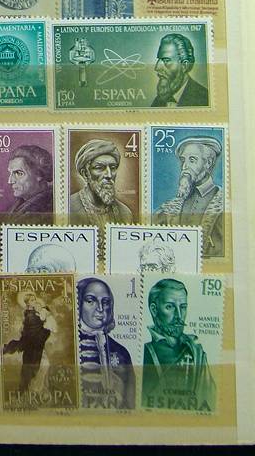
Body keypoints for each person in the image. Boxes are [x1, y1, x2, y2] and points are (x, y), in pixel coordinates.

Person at [142, 278, 215, 411]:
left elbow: (208, 398)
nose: (179, 316)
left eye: (183, 307)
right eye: (170, 307)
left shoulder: (195, 351)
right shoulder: (143, 350)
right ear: (154, 309)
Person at [155, 135, 224, 257]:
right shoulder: (169, 207)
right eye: (183, 160)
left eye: (192, 160)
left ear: (208, 163)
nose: (184, 167)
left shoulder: (223, 203)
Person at [77, 277, 135, 409]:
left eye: (106, 302)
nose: (100, 308)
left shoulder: (121, 353)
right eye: (90, 301)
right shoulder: (63, 348)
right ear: (78, 303)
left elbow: (130, 404)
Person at [70, 139, 133, 226]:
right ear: (85, 173)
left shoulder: (125, 213)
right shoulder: (69, 207)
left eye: (113, 167)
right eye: (99, 168)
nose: (109, 175)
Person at [2, 294, 52, 393]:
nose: (35, 301)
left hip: (35, 346)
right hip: (33, 347)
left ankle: (35, 389)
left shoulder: (35, 313)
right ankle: (30, 390)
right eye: (32, 300)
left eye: (35, 299)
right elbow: (35, 332)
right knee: (33, 367)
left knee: (39, 366)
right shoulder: (31, 316)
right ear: (28, 303)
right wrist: (46, 330)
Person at [151, 33, 208, 106]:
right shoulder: (158, 101)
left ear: (184, 65)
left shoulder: (204, 99)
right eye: (159, 60)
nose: (157, 67)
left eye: (166, 60)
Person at [6, 144, 54, 221]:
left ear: (39, 174)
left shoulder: (46, 210)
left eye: (19, 173)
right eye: (10, 173)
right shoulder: (17, 206)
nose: (10, 181)